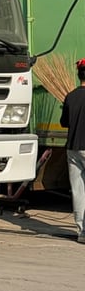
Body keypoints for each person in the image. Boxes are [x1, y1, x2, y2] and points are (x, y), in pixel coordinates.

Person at [60, 58, 85, 243]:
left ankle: (81, 232)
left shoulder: (70, 96)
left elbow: (64, 122)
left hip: (73, 150)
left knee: (78, 191)